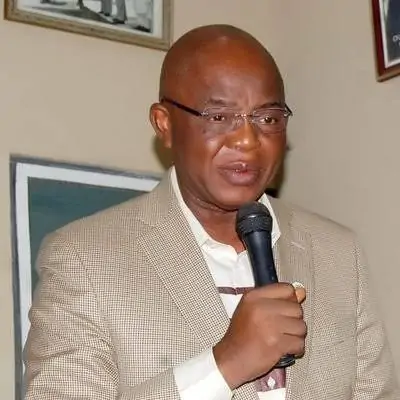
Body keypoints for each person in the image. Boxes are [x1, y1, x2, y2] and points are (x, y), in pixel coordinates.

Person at [23, 25, 399, 400]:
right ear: (164, 124)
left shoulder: (338, 252)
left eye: (268, 119)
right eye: (219, 117)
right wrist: (226, 364)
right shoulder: (82, 258)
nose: (248, 140)